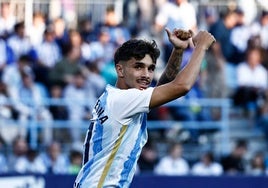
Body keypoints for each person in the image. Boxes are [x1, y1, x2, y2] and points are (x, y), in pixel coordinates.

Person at [74, 28, 215, 187]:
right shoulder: (124, 100)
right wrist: (201, 47)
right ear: (120, 69)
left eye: (151, 68)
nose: (146, 75)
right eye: (138, 67)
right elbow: (181, 86)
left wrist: (178, 50)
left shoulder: (115, 96)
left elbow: (163, 88)